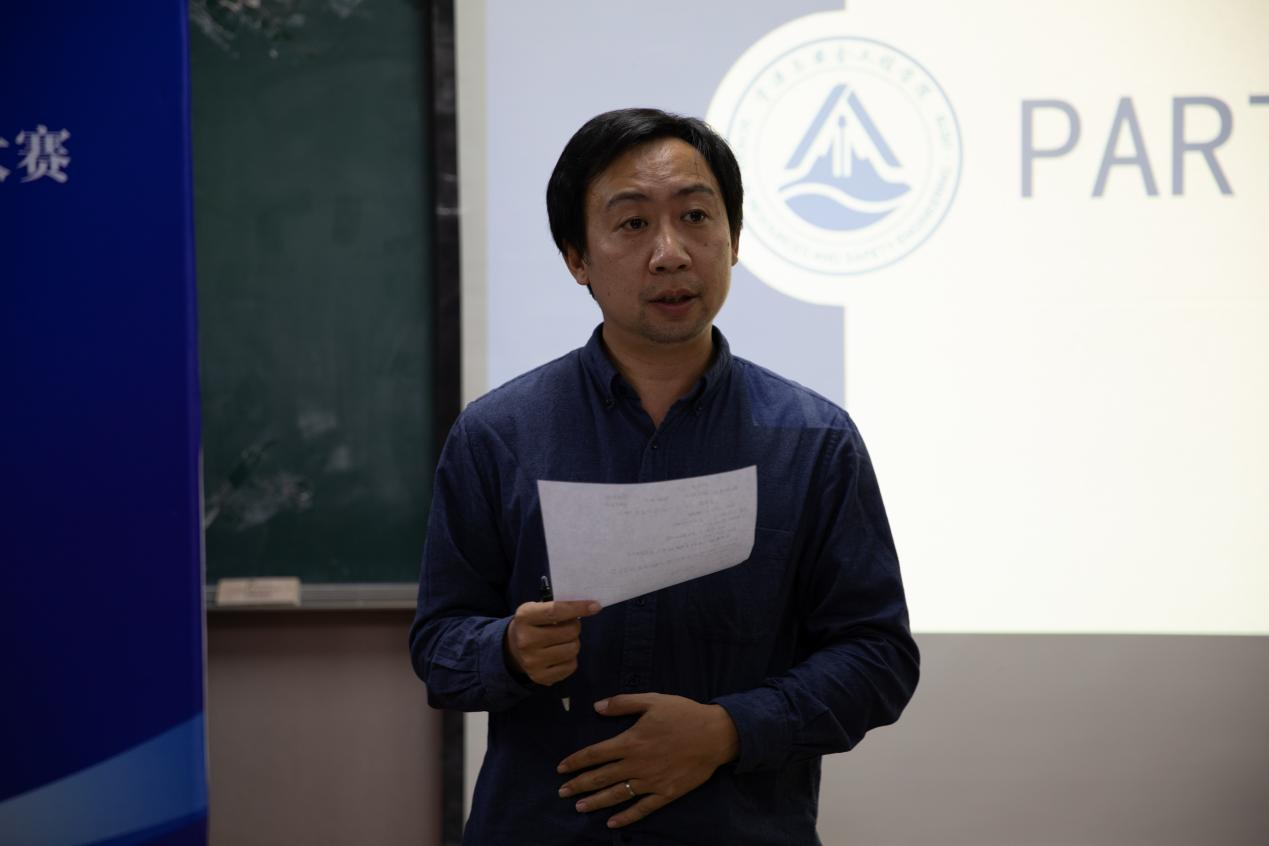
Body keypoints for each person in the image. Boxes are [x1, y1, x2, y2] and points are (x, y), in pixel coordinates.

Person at [410, 107, 919, 845]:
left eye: (695, 216)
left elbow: (877, 658)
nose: (670, 253)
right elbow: (438, 648)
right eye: (632, 224)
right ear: (576, 258)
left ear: (733, 240)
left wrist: (729, 729)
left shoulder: (813, 440)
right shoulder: (498, 434)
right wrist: (509, 651)